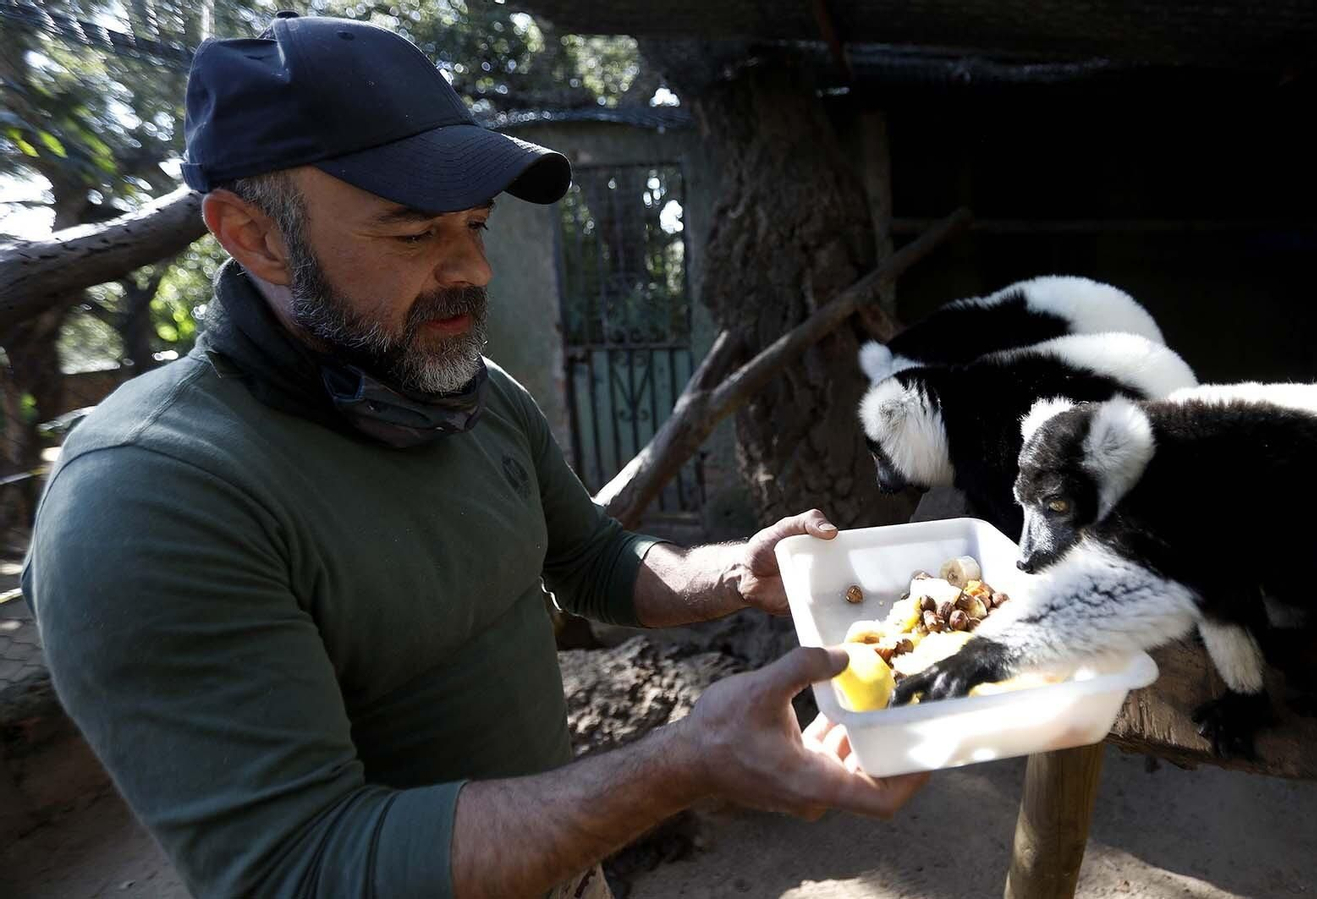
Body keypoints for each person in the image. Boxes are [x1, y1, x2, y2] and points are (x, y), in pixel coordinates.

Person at [22, 13, 925, 899]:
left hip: (565, 867)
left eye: (475, 226)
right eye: (416, 234)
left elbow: (593, 559)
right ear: (253, 234)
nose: (473, 269)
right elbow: (298, 863)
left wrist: (731, 574)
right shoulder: (151, 493)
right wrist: (682, 763)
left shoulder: (466, 391)